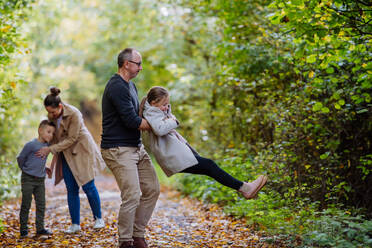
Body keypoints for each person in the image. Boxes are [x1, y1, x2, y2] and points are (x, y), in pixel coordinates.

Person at [140, 86, 268, 199]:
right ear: (153, 103)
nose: (167, 107)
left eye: (168, 104)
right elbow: (160, 129)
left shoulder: (156, 110)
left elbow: (162, 121)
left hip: (176, 153)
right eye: (164, 104)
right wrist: (174, 120)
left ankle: (246, 188)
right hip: (173, 156)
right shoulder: (152, 112)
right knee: (209, 165)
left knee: (209, 167)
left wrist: (167, 111)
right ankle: (246, 188)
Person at [101, 48, 160, 248]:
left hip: (136, 147)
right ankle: (125, 241)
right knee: (132, 195)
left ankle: (138, 234)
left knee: (152, 188)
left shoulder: (131, 86)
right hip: (118, 149)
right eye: (138, 63)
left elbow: (138, 112)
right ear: (126, 64)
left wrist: (157, 110)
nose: (141, 67)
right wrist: (161, 125)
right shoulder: (116, 86)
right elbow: (132, 120)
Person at [36, 87, 106, 234]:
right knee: (71, 188)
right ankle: (75, 224)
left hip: (81, 151)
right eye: (48, 112)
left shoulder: (74, 113)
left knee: (88, 185)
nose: (50, 115)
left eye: (53, 112)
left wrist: (51, 149)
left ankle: (98, 218)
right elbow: (54, 137)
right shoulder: (52, 117)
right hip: (65, 154)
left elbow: (72, 138)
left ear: (60, 106)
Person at [17, 120, 55, 238]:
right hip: (28, 178)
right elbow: (20, 158)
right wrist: (26, 169)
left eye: (52, 133)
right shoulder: (31, 145)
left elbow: (39, 161)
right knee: (26, 204)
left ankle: (40, 228)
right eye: (48, 132)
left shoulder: (48, 146)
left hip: (40, 180)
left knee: (41, 204)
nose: (50, 135)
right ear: (40, 130)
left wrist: (45, 168)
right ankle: (23, 230)